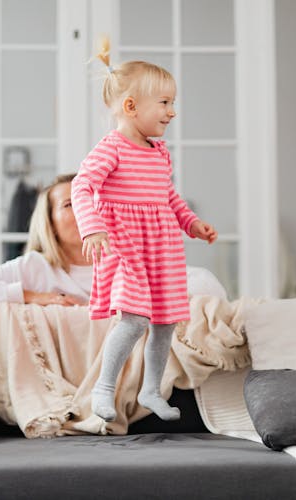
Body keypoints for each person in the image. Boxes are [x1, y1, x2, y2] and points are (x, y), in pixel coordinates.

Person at [71, 37, 218, 423]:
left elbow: (168, 195)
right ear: (131, 107)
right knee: (134, 319)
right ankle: (104, 388)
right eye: (165, 103)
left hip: (163, 245)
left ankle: (151, 388)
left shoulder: (159, 153)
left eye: (173, 103)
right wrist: (92, 228)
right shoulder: (112, 148)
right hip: (127, 244)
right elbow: (81, 186)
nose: (172, 112)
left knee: (166, 320)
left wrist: (191, 223)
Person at [0, 173, 226, 309]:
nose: (87, 212)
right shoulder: (34, 269)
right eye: (70, 205)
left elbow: (206, 286)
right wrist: (37, 297)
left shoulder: (131, 263)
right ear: (48, 222)